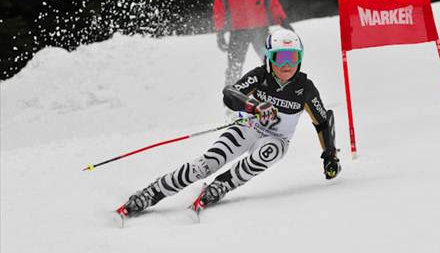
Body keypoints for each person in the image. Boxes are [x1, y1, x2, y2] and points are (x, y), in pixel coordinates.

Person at [116, 29, 341, 219]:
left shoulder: (305, 88)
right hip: (249, 127)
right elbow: (230, 93)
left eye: (293, 57)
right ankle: (152, 192)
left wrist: (330, 156)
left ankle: (224, 184)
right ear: (270, 58)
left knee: (269, 152)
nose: (287, 65)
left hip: (277, 139)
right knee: (207, 164)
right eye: (281, 57)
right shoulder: (261, 76)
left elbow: (322, 121)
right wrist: (255, 106)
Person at [213, 0, 294, 88]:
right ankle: (231, 100)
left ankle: (283, 92)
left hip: (260, 31)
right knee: (234, 66)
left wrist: (284, 21)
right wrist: (220, 32)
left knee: (272, 62)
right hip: (238, 32)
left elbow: (273, 4)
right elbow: (219, 8)